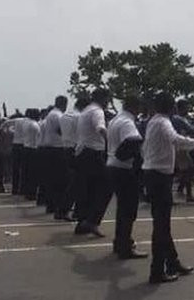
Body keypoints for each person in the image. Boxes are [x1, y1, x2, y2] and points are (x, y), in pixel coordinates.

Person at [142, 92, 194, 284]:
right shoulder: (164, 122)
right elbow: (175, 139)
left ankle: (172, 261)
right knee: (161, 226)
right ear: (171, 108)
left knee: (162, 225)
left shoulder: (153, 121)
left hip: (154, 174)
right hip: (159, 176)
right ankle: (157, 271)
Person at [88, 95, 148, 258]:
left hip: (112, 165)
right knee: (128, 210)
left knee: (123, 208)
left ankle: (120, 242)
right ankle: (124, 246)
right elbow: (133, 139)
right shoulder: (128, 122)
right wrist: (134, 157)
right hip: (123, 168)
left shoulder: (115, 120)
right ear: (135, 107)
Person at [74, 90, 110, 236]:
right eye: (107, 99)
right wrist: (111, 141)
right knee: (105, 188)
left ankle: (83, 222)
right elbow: (100, 128)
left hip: (82, 153)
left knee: (87, 190)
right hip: (93, 153)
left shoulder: (86, 111)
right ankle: (92, 221)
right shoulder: (97, 111)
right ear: (102, 99)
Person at [40, 96, 68, 217]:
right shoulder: (58, 115)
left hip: (49, 148)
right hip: (56, 148)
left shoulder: (51, 114)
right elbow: (61, 130)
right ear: (64, 104)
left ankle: (51, 205)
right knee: (60, 180)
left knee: (51, 179)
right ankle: (57, 205)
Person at [60, 96, 86, 220]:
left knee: (71, 181)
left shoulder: (65, 115)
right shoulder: (79, 116)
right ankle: (67, 209)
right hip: (75, 149)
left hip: (65, 147)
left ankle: (66, 209)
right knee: (77, 182)